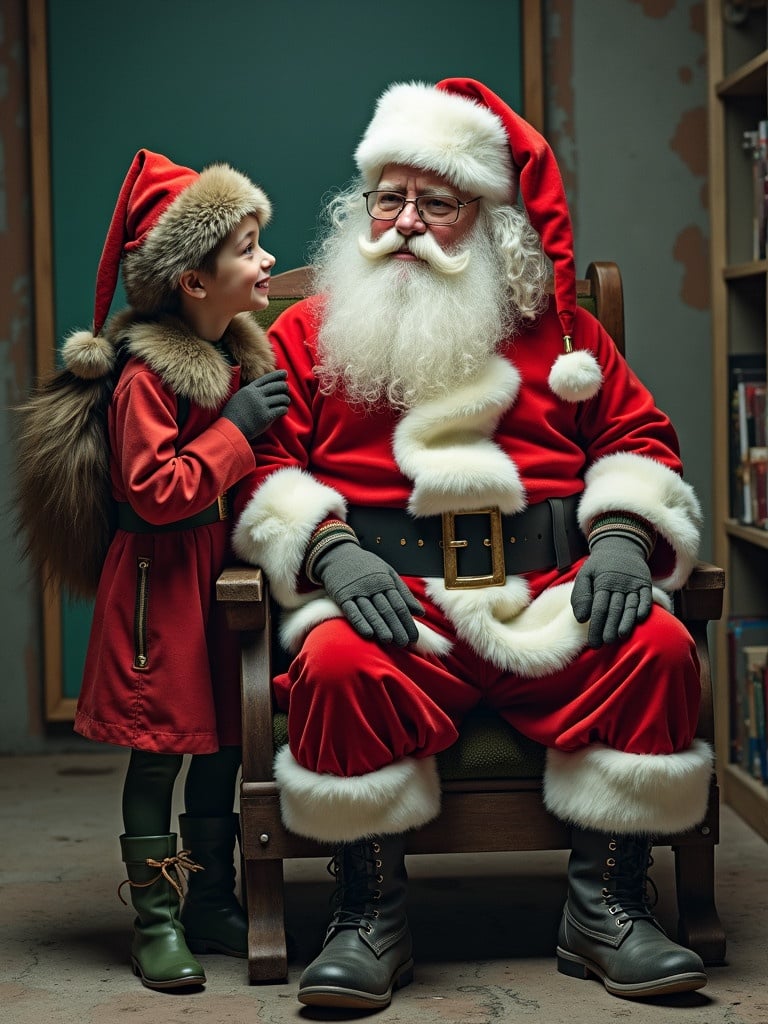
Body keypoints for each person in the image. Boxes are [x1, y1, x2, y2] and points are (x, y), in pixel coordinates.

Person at [232, 79, 711, 1010]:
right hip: (388, 602)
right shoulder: (306, 332)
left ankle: (607, 906)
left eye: (437, 202)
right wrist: (327, 550)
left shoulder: (566, 336)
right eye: (388, 198)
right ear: (362, 204)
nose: (405, 222)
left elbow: (639, 441)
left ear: (489, 219)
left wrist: (621, 532)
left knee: (657, 646)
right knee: (332, 665)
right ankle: (369, 912)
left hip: (550, 590)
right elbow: (259, 465)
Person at [23, 150, 289, 991]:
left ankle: (211, 899)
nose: (267, 261)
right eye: (247, 247)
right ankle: (157, 919)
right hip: (157, 587)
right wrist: (235, 432)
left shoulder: (241, 354)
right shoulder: (146, 376)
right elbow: (158, 490)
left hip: (218, 578)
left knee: (220, 750)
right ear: (191, 281)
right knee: (160, 753)